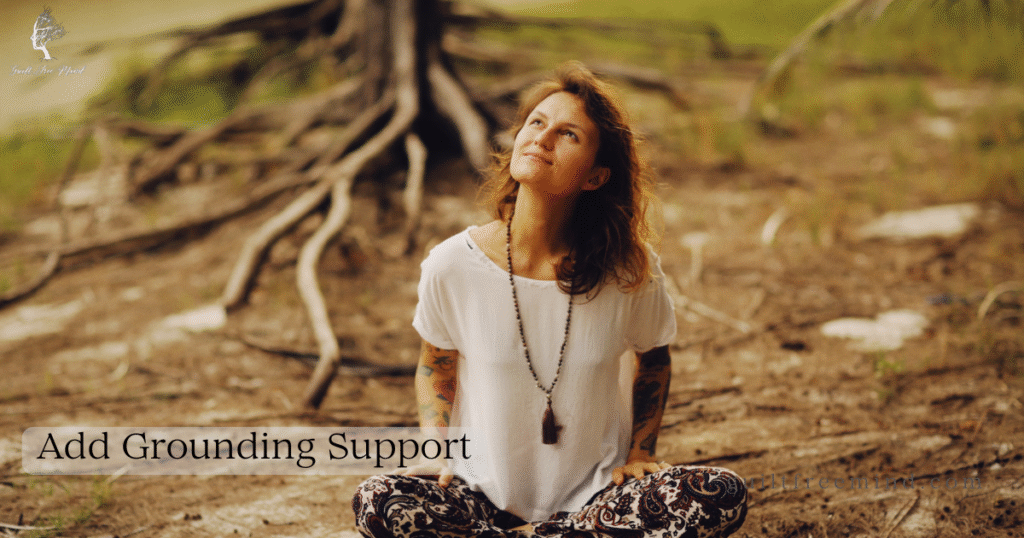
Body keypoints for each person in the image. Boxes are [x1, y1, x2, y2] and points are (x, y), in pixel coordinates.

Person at [353, 62, 747, 537]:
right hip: (478, 495)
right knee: (378, 499)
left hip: (597, 499)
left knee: (720, 494)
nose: (542, 137)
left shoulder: (628, 269)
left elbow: (655, 357)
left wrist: (641, 451)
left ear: (596, 177)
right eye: (536, 123)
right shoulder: (453, 264)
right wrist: (436, 448)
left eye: (568, 135)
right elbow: (436, 362)